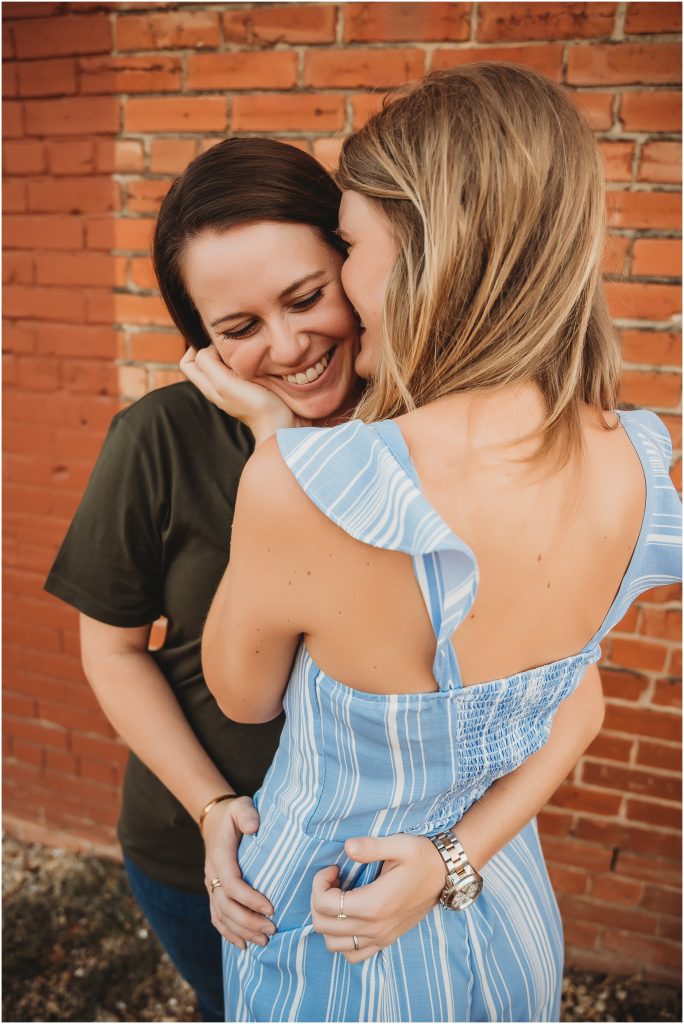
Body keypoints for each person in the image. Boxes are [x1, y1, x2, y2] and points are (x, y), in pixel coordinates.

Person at [201, 65, 683, 1022]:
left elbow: (242, 695)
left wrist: (277, 446)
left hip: (326, 921)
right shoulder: (636, 456)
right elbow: (574, 707)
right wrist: (452, 863)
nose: (343, 277)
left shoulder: (302, 483)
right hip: (495, 902)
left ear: (427, 250)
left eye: (349, 244)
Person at [43, 138, 362, 1022]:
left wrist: (275, 441)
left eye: (308, 297)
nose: (292, 346)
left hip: (381, 861)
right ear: (201, 344)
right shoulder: (157, 439)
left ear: (356, 262)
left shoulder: (426, 422)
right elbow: (113, 654)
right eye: (239, 328)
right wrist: (212, 805)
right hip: (208, 859)